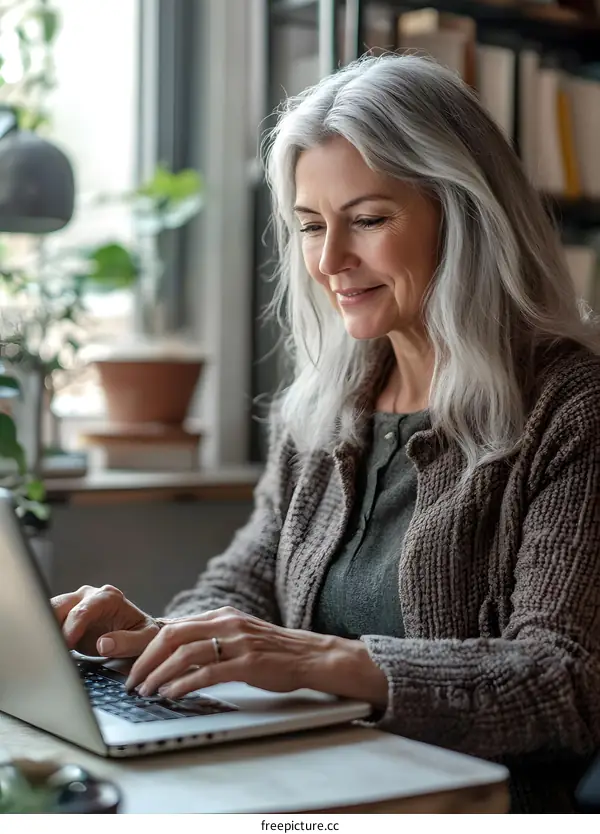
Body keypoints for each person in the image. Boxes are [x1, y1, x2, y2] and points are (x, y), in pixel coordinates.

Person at [52, 55, 600, 812]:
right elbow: (246, 583)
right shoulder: (326, 404)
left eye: (368, 220)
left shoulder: (571, 409)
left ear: (466, 214)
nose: (330, 261)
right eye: (311, 226)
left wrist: (323, 660)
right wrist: (153, 635)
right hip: (319, 774)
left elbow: (562, 680)